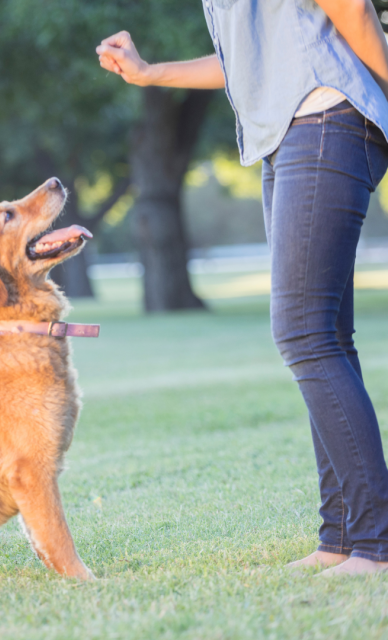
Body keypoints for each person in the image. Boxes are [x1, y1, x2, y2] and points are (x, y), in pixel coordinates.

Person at [97, 0, 388, 576]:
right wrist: (152, 72)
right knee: (325, 335)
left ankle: (378, 542)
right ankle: (342, 535)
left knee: (304, 335)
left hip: (327, 116)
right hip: (291, 131)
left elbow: (350, 7)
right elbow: (251, 61)